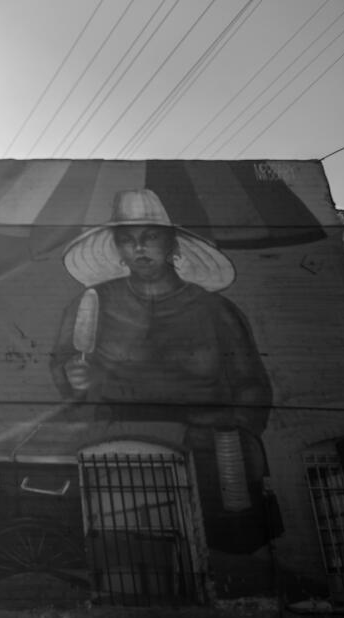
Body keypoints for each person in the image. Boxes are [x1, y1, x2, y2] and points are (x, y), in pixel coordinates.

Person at [50, 188, 275, 554]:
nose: (139, 248)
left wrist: (230, 429)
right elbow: (64, 365)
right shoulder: (91, 304)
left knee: (221, 549)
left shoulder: (215, 311)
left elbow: (252, 386)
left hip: (210, 455)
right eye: (127, 240)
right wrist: (74, 378)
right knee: (122, 548)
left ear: (173, 244)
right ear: (117, 249)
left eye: (150, 237)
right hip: (116, 454)